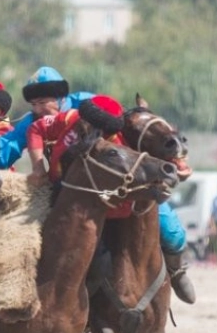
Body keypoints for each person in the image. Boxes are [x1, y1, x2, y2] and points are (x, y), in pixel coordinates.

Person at [31, 95, 196, 303]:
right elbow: (36, 129)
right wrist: (38, 166)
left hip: (107, 205)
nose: (94, 133)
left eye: (103, 131)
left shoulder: (117, 145)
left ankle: (176, 270)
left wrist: (176, 168)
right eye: (90, 125)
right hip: (58, 195)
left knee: (171, 232)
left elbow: (139, 184)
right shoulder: (68, 118)